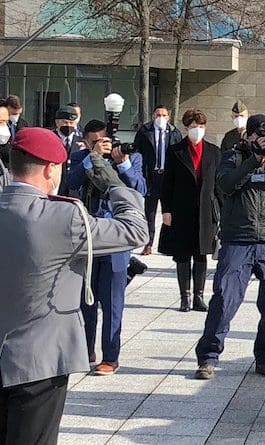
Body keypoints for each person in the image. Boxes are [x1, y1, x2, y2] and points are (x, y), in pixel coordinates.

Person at [0, 127, 148, 444]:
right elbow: (135, 230)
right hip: (39, 362)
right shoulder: (63, 216)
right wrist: (114, 185)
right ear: (51, 168)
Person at [194, 114, 265, 380]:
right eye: (260, 136)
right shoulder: (232, 157)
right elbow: (225, 185)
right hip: (238, 239)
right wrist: (254, 160)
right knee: (225, 300)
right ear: (248, 136)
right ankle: (208, 357)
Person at [68, 119, 147, 376]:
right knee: (85, 300)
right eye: (94, 141)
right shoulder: (81, 156)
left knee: (113, 301)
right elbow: (71, 181)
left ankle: (110, 357)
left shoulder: (128, 157)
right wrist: (92, 156)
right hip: (89, 236)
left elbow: (139, 188)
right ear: (87, 141)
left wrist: (121, 162)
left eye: (103, 140)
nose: (100, 145)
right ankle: (85, 349)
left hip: (116, 235)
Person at [159, 108, 221, 312]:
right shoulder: (175, 150)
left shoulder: (213, 151)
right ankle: (184, 296)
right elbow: (166, 182)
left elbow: (218, 184)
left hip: (205, 211)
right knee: (183, 254)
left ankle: (199, 296)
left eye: (201, 127)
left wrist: (220, 211)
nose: (198, 131)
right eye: (194, 127)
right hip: (181, 209)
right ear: (186, 128)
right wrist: (166, 210)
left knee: (201, 254)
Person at [133, 105, 183, 255]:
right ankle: (148, 242)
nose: (160, 118)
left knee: (169, 211)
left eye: (164, 115)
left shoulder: (174, 133)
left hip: (167, 176)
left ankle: (169, 243)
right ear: (153, 116)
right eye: (158, 115)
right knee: (150, 211)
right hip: (151, 176)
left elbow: (179, 155)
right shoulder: (144, 132)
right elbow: (137, 152)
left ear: (168, 117)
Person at [54, 105, 83, 195]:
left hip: (75, 192)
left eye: (71, 123)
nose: (69, 126)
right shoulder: (50, 138)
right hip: (55, 189)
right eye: (65, 123)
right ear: (57, 122)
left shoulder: (82, 140)